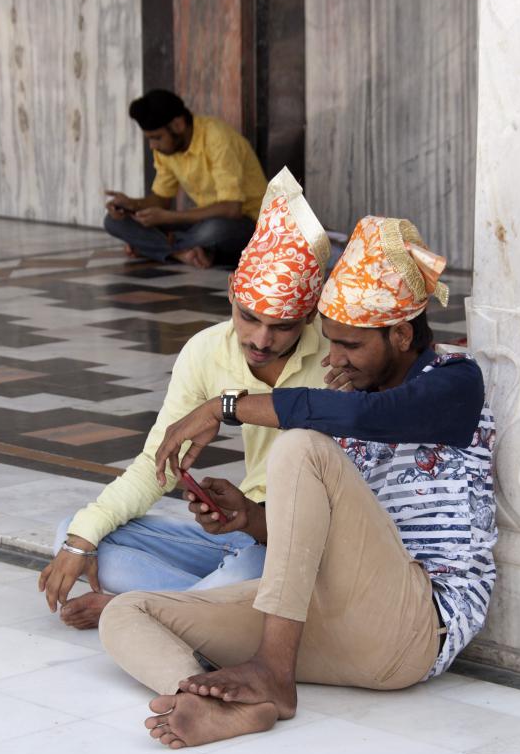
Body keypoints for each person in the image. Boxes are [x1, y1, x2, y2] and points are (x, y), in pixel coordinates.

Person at [98, 216, 497, 750]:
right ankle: (212, 700)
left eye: (350, 346)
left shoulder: (454, 383)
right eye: (330, 344)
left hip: (414, 627)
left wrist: (226, 407)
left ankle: (273, 675)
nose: (334, 360)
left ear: (401, 335)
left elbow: (368, 417)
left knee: (301, 443)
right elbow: (327, 534)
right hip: (329, 626)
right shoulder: (351, 394)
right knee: (128, 613)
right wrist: (249, 518)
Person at [39, 168, 333, 629]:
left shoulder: (340, 359)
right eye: (248, 317)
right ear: (231, 289)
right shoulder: (205, 350)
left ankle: (143, 608)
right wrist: (81, 541)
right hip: (238, 536)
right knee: (77, 531)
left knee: (254, 573)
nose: (260, 339)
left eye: (282, 326)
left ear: (310, 314)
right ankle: (202, 607)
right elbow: (157, 465)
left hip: (298, 544)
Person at [104, 89, 267, 269]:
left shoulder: (217, 138)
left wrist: (169, 218)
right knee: (113, 221)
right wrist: (132, 205)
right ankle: (182, 253)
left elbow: (232, 209)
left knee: (213, 231)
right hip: (202, 220)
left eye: (157, 138)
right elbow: (161, 199)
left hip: (249, 224)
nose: (153, 145)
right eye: (150, 139)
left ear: (178, 124)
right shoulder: (166, 150)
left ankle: (152, 247)